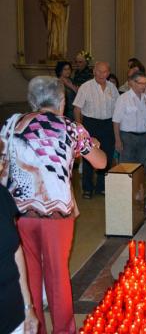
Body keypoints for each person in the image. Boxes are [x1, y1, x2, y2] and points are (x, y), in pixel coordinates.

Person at [0, 76, 106, 334]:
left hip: (16, 212)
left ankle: (33, 328)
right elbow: (101, 163)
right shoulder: (71, 127)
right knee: (57, 275)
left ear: (32, 100)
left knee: (28, 272)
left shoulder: (11, 123)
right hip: (57, 214)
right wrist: (93, 145)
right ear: (61, 100)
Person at [0, 143, 38, 334]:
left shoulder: (3, 197)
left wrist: (28, 307)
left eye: (0, 159)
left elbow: (16, 250)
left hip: (14, 314)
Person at [73, 61, 119, 198]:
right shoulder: (86, 87)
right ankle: (87, 188)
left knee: (107, 155)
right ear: (94, 72)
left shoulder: (112, 88)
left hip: (108, 124)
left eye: (104, 72)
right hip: (90, 124)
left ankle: (102, 186)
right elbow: (77, 109)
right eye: (99, 71)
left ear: (108, 73)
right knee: (88, 156)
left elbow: (118, 108)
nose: (101, 74)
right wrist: (79, 128)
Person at [112, 71, 146, 166]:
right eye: (141, 83)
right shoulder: (123, 98)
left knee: (142, 167)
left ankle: (140, 181)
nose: (144, 86)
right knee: (126, 167)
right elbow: (116, 121)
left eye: (145, 83)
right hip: (127, 138)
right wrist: (118, 140)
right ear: (132, 83)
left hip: (144, 137)